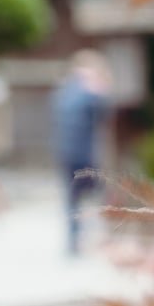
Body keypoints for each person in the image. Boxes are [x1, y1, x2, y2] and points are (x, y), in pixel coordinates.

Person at [52, 49, 112, 255]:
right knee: (96, 196)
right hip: (85, 154)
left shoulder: (64, 90)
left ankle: (74, 241)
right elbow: (105, 112)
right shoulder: (90, 93)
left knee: (73, 199)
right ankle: (94, 239)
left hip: (65, 153)